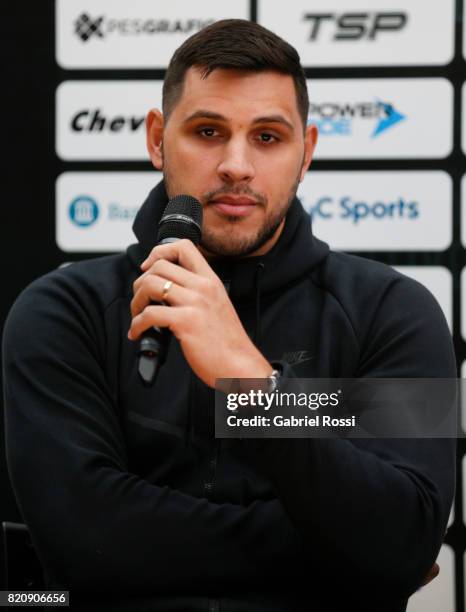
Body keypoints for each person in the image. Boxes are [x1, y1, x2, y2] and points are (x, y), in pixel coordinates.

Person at [3, 19, 455, 612]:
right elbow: (84, 545)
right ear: (158, 139)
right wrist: (338, 553)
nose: (236, 165)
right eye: (208, 131)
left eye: (268, 137)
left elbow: (402, 533)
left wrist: (250, 384)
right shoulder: (65, 312)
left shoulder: (392, 312)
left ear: (307, 152)